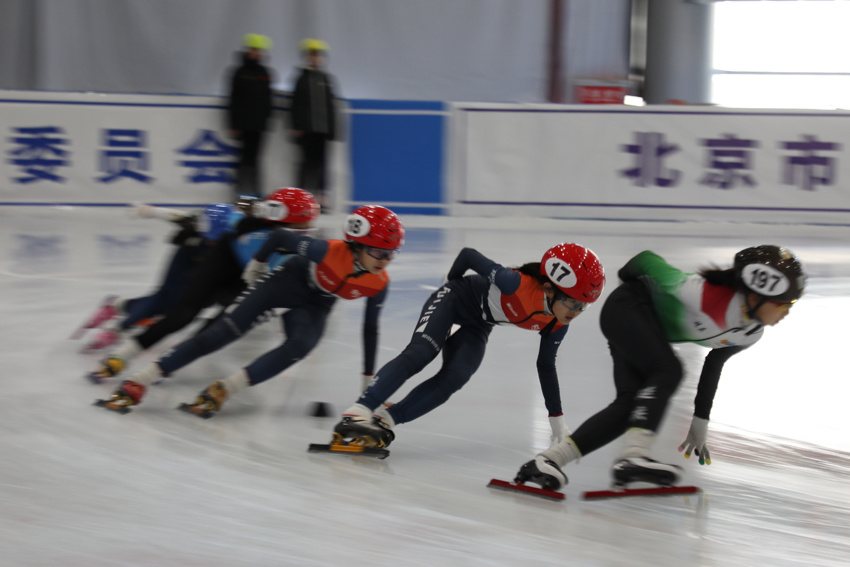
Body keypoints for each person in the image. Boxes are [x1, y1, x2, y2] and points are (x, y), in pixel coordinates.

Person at [514, 245, 806, 491]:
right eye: (784, 303)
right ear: (754, 296)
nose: (787, 311)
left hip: (643, 329)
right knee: (669, 370)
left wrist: (700, 422)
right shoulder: (701, 293)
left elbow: (714, 362)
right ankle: (634, 457)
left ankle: (547, 461)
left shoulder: (751, 334)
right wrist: (627, 283)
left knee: (630, 405)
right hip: (628, 307)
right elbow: (644, 261)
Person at [95, 205, 404, 416]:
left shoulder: (379, 283)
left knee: (300, 346)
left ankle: (225, 388)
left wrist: (367, 380)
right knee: (223, 332)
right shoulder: (327, 251)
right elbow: (281, 236)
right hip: (289, 279)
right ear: (355, 243)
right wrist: (256, 265)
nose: (383, 260)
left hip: (317, 302)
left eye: (391, 254)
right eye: (377, 251)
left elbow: (370, 330)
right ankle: (141, 379)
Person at [331, 243, 606, 450]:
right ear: (549, 289)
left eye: (584, 306)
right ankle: (358, 411)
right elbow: (468, 255)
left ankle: (386, 420)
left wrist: (557, 420)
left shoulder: (558, 322)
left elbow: (545, 365)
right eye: (572, 302)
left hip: (480, 322)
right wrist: (450, 283)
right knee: (422, 352)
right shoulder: (514, 283)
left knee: (458, 376)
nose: (576, 312)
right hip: (455, 298)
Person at [87, 188, 319, 383]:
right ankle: (123, 355)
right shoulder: (244, 223)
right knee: (182, 313)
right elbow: (186, 218)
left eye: (311, 223)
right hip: (225, 258)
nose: (309, 229)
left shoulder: (298, 247)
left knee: (218, 328)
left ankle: (171, 359)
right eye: (305, 224)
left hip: (246, 276)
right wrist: (148, 211)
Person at [73, 202, 237, 352]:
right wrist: (149, 211)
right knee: (166, 298)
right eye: (208, 237)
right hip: (188, 255)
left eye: (214, 239)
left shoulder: (237, 234)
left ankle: (116, 306)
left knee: (179, 304)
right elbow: (178, 216)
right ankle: (118, 329)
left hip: (211, 262)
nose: (210, 242)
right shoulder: (197, 226)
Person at [288, 38, 338, 212]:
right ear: (307, 57)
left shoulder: (326, 78)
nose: (316, 58)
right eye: (313, 55)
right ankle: (300, 197)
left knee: (322, 165)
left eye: (318, 55)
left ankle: (320, 198)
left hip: (322, 130)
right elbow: (295, 104)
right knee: (305, 164)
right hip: (306, 130)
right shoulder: (301, 78)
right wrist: (296, 125)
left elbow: (331, 106)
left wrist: (333, 129)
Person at [227, 33, 275, 198]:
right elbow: (233, 99)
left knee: (256, 158)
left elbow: (268, 97)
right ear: (248, 51)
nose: (257, 53)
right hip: (243, 123)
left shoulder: (264, 72)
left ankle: (256, 191)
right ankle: (240, 191)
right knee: (244, 158)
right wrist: (234, 124)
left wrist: (268, 117)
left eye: (260, 50)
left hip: (259, 124)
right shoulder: (239, 72)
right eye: (254, 50)